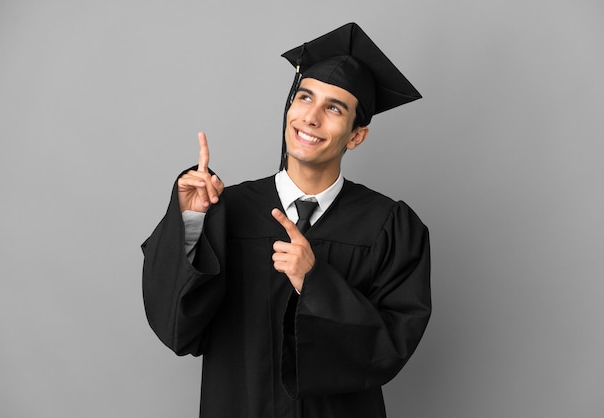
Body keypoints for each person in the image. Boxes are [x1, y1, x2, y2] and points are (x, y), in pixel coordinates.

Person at [142, 22, 431, 418]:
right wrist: (191, 223)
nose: (310, 117)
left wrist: (315, 283)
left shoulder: (390, 226)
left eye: (333, 108)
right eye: (304, 98)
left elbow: (389, 350)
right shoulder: (228, 208)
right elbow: (177, 329)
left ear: (356, 135)